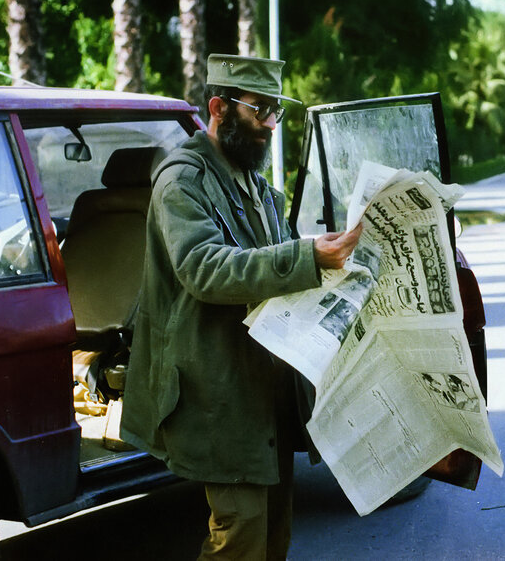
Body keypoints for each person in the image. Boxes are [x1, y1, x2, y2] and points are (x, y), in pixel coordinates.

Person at [120, 54, 362, 560]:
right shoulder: (182, 180)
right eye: (260, 111)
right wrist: (305, 256)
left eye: (277, 112)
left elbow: (282, 272)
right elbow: (205, 268)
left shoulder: (258, 188)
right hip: (216, 391)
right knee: (241, 535)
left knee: (275, 534)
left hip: (264, 388)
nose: (270, 125)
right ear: (218, 108)